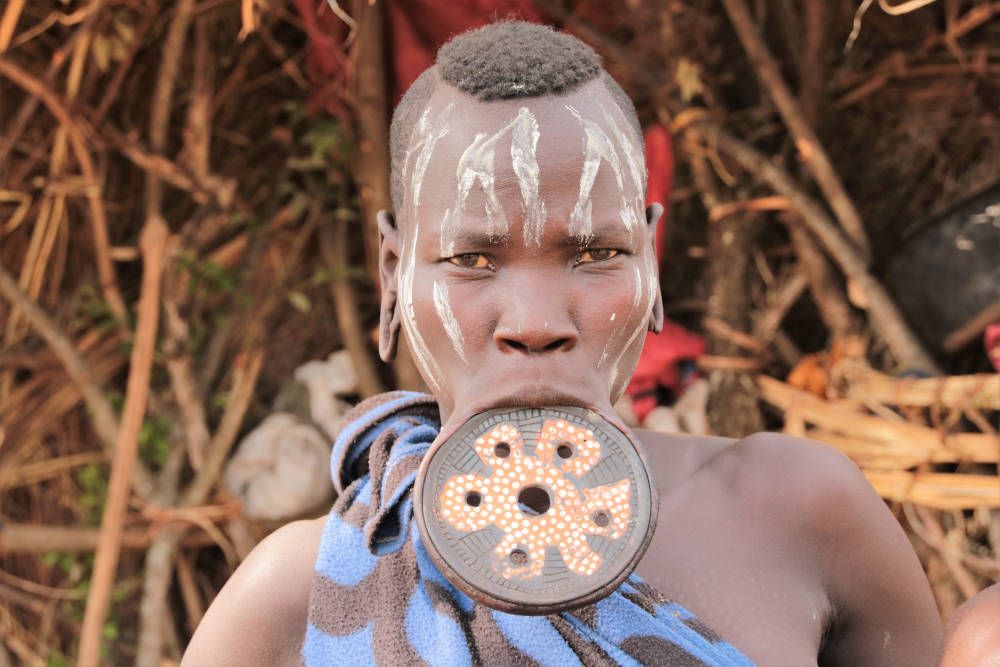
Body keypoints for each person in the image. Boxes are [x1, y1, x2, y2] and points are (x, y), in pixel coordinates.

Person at [183, 21, 943, 665]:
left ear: (651, 263)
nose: (536, 319)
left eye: (596, 254)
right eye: (471, 259)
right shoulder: (298, 597)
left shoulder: (803, 512)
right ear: (392, 277)